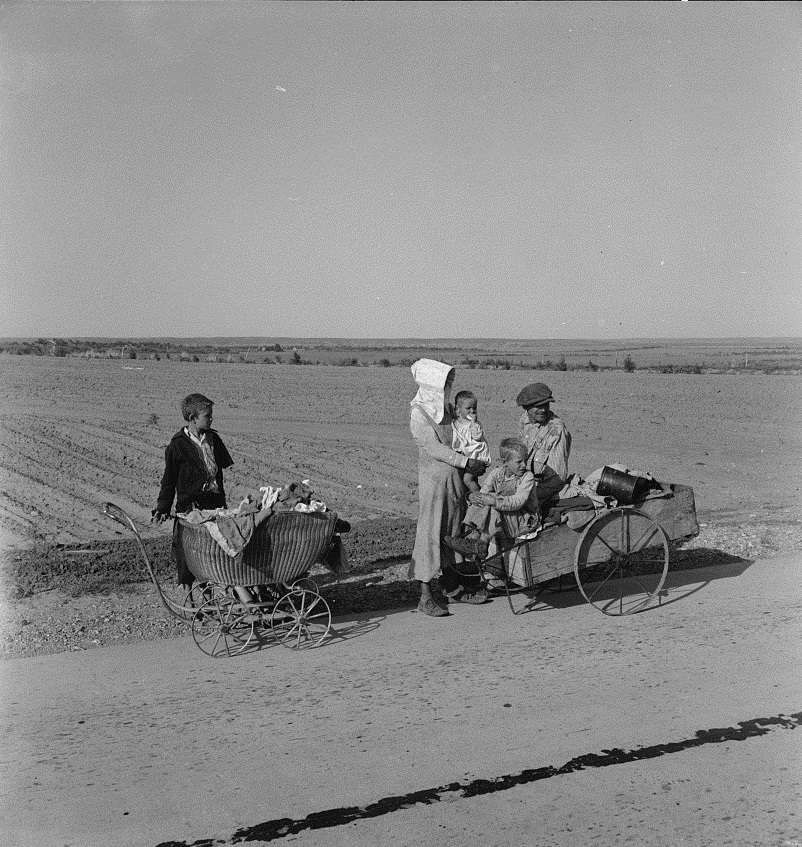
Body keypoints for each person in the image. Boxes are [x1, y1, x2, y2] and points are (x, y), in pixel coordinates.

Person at [408, 359, 489, 616]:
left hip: (454, 483)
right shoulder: (419, 414)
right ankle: (425, 596)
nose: (448, 388)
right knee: (431, 535)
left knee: (452, 533)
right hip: (434, 484)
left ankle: (453, 590)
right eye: (444, 383)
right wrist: (467, 461)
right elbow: (434, 448)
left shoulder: (443, 410)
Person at [153, 393, 234, 588]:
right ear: (192, 418)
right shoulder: (177, 445)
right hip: (191, 507)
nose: (211, 419)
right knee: (189, 553)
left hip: (215, 504)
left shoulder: (214, 439)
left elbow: (220, 467)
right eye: (207, 416)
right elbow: (169, 480)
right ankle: (189, 597)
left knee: (216, 551)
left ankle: (211, 594)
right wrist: (163, 507)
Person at [444, 437, 539, 576]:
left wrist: (494, 501)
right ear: (505, 463)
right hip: (507, 517)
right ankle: (474, 537)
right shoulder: (496, 473)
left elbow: (518, 501)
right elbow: (484, 492)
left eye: (525, 460)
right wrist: (474, 497)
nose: (524, 465)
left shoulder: (527, 477)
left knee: (493, 501)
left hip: (525, 519)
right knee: (483, 498)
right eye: (519, 462)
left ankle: (481, 543)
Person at [516, 382, 571, 510]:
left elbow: (557, 479)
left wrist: (527, 497)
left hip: (541, 492)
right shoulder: (525, 420)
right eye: (538, 406)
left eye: (546, 405)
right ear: (526, 407)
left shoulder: (556, 429)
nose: (543, 410)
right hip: (524, 484)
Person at [451, 390, 492, 494]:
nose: (472, 411)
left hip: (476, 457)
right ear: (458, 410)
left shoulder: (475, 425)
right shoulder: (456, 423)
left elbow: (477, 436)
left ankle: (480, 496)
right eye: (468, 408)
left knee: (468, 479)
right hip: (464, 457)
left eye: (474, 408)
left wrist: (474, 422)